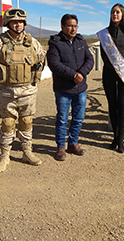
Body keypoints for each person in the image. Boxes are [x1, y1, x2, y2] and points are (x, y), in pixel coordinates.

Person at [0, 7, 45, 172]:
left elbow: (41, 61)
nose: (18, 24)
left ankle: (27, 152)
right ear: (7, 23)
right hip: (6, 91)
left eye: (20, 22)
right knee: (7, 123)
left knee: (27, 121)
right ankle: (4, 156)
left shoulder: (33, 43)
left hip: (28, 90)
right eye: (14, 22)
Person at [47, 14, 94, 161]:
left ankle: (73, 143)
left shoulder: (81, 40)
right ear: (62, 27)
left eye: (75, 26)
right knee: (62, 118)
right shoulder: (55, 42)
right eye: (70, 25)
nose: (73, 29)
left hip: (80, 88)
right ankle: (61, 146)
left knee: (78, 118)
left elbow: (89, 59)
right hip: (63, 89)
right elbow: (54, 63)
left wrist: (82, 73)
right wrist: (73, 75)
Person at [98, 3, 124, 153]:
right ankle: (114, 137)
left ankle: (120, 140)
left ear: (123, 14)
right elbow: (103, 53)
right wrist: (112, 66)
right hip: (108, 73)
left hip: (123, 74)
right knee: (112, 105)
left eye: (118, 12)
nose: (115, 14)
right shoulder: (105, 33)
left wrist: (123, 67)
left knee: (122, 105)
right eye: (113, 12)